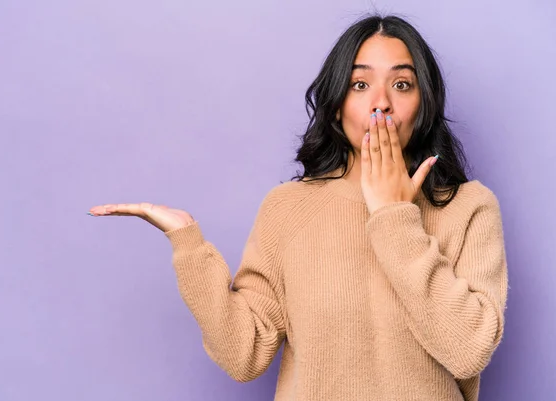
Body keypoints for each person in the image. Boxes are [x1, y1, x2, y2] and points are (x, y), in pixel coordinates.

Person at [88, 14, 508, 401]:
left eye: (402, 84)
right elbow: (243, 354)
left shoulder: (469, 206)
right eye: (360, 85)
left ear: (425, 103)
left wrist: (393, 217)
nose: (381, 103)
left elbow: (469, 351)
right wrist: (189, 245)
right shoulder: (288, 208)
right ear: (337, 102)